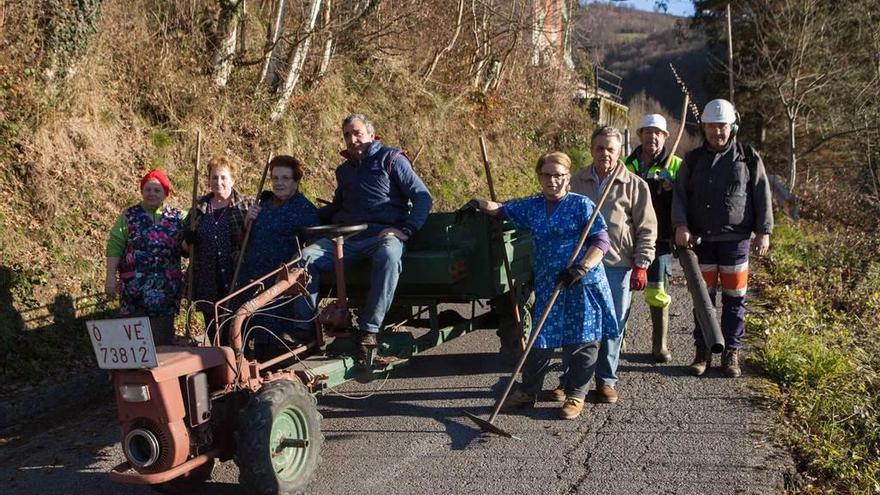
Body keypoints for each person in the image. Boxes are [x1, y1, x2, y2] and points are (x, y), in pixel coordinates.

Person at [463, 151, 618, 420]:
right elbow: (502, 209)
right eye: (547, 174)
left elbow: (601, 241)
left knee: (583, 338)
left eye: (559, 175)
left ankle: (576, 395)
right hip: (549, 282)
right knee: (540, 338)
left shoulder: (581, 205)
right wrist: (478, 203)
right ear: (539, 176)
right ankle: (528, 391)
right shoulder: (532, 206)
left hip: (581, 281)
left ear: (568, 178)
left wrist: (582, 267)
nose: (552, 180)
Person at [294, 114, 433, 356]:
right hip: (346, 239)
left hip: (382, 235)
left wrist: (406, 230)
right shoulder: (344, 171)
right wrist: (298, 213)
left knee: (390, 254)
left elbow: (422, 196)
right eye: (347, 134)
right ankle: (306, 332)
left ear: (371, 134)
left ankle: (370, 327)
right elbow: (337, 208)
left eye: (357, 132)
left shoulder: (391, 159)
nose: (352, 139)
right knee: (304, 259)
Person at [672, 98, 773, 378]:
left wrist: (764, 231)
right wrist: (681, 226)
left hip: (736, 242)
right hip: (701, 242)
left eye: (723, 127)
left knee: (735, 299)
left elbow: (762, 193)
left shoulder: (747, 156)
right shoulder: (692, 160)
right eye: (712, 127)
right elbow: (680, 196)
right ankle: (702, 352)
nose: (718, 132)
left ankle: (731, 353)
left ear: (733, 127)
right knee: (703, 300)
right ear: (704, 128)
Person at [568, 126, 657, 404]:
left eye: (610, 148)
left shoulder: (634, 185)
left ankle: (605, 380)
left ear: (620, 152)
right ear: (591, 149)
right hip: (583, 265)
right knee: (581, 324)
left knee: (613, 325)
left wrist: (642, 264)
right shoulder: (576, 181)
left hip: (617, 266)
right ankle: (574, 381)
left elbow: (647, 228)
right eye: (599, 148)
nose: (604, 153)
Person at [239, 155, 319, 358]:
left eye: (285, 178)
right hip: (254, 277)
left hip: (281, 281)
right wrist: (247, 222)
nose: (279, 183)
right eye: (275, 178)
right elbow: (244, 241)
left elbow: (312, 247)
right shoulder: (262, 205)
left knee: (274, 340)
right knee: (249, 331)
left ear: (296, 181)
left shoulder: (305, 210)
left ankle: (277, 382)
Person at [623, 114, 683, 363]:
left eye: (657, 133)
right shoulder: (627, 165)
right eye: (648, 132)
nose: (652, 137)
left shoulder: (676, 165)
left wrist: (673, 189)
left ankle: (660, 346)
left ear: (666, 137)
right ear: (640, 136)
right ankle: (618, 339)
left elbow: (687, 200)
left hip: (660, 241)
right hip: (627, 239)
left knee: (657, 292)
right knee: (622, 291)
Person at [105, 169, 185, 345]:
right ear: (142, 191)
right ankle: (133, 373)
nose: (152, 193)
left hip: (166, 290)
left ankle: (159, 372)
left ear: (166, 193)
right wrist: (110, 277)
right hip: (134, 290)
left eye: (157, 190)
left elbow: (190, 246)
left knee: (162, 341)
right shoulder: (129, 216)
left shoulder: (178, 218)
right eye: (148, 189)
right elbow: (115, 246)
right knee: (135, 340)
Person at [181, 156, 252, 345]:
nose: (218, 182)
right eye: (214, 177)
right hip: (207, 279)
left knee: (238, 331)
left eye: (223, 177)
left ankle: (240, 367)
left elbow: (254, 240)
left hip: (236, 278)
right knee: (214, 332)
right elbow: (184, 248)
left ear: (232, 180)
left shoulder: (245, 206)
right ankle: (219, 367)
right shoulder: (199, 208)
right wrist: (188, 240)